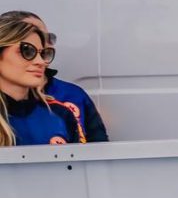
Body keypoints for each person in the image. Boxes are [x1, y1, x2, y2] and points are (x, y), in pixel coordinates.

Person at [0, 10, 109, 142]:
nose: (41, 61)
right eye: (27, 50)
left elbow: (95, 157)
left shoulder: (61, 114)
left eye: (44, 53)